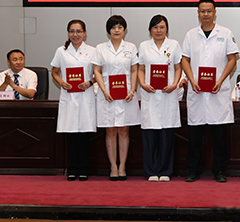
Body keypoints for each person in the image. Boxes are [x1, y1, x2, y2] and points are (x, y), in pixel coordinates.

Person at [182, 0, 239, 183]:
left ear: (215, 12)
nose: (205, 14)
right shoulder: (191, 35)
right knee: (195, 136)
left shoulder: (226, 33)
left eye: (209, 11)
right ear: (198, 13)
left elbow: (232, 59)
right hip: (197, 91)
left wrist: (220, 80)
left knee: (219, 136)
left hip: (217, 92)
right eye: (202, 11)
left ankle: (219, 170)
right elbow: (185, 60)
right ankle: (193, 170)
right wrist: (192, 80)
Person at [92, 15, 140, 181]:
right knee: (110, 130)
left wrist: (132, 90)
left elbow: (135, 70)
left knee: (124, 130)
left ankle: (122, 166)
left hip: (126, 94)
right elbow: (97, 70)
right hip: (108, 94)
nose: (117, 30)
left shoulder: (131, 47)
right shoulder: (100, 48)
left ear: (124, 30)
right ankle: (113, 166)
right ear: (108, 31)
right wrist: (104, 91)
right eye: (113, 27)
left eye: (120, 27)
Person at [137, 15, 183, 182]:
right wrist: (143, 84)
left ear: (167, 29)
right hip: (149, 94)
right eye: (155, 27)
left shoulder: (174, 45)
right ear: (150, 30)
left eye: (162, 27)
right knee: (150, 136)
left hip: (167, 94)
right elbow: (140, 69)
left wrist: (174, 84)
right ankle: (151, 171)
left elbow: (178, 68)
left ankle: (165, 171)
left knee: (166, 135)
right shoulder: (144, 46)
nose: (158, 30)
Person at [50, 20, 97, 181]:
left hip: (86, 96)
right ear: (68, 33)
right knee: (71, 135)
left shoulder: (92, 51)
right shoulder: (61, 51)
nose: (75, 35)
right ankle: (71, 169)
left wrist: (89, 82)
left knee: (84, 135)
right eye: (72, 31)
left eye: (78, 31)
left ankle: (84, 169)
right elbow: (54, 72)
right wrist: (61, 82)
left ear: (84, 33)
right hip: (69, 97)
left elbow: (98, 73)